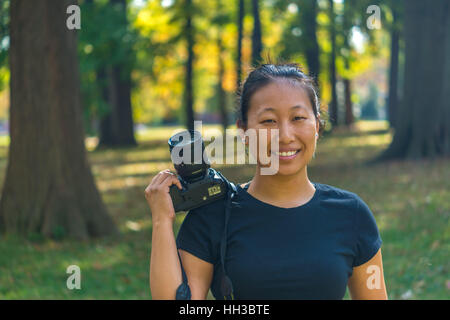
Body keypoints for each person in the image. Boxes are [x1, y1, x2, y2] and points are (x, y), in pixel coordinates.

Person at [146, 62, 387, 300]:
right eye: (269, 121)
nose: (285, 136)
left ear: (317, 126)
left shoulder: (351, 215)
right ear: (244, 132)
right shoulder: (213, 216)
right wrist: (161, 221)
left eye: (298, 118)